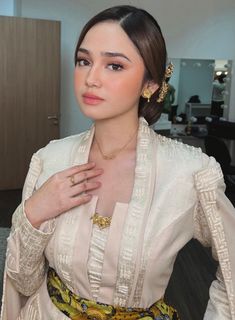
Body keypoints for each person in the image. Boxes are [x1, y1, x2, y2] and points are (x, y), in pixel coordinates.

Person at [1, 5, 235, 320]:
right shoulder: (49, 159)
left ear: (150, 83)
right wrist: (33, 213)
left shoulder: (190, 173)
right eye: (84, 61)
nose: (91, 78)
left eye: (114, 65)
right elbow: (23, 281)